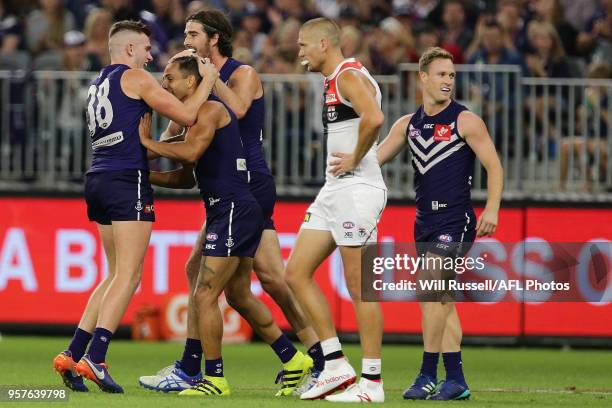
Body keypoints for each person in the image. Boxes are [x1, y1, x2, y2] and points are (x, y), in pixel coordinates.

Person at [138, 10, 316, 396]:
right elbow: (178, 133)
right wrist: (140, 156)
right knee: (233, 287)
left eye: (193, 34)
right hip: (229, 191)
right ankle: (298, 357)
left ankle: (319, 358)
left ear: (214, 38)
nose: (186, 39)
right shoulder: (195, 93)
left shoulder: (239, 74)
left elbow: (235, 111)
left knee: (264, 280)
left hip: (249, 184)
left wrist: (207, 80)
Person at [51, 21, 217, 393]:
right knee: (129, 275)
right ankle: (96, 357)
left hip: (97, 177)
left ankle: (72, 352)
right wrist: (208, 77)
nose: (150, 55)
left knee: (112, 275)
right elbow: (188, 116)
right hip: (127, 178)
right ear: (128, 51)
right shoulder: (136, 78)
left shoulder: (99, 82)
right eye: (145, 48)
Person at [377, 46, 503, 401]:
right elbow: (374, 160)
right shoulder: (407, 125)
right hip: (425, 223)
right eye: (442, 74)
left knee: (431, 289)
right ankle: (457, 380)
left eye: (452, 75)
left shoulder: (465, 121)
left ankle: (427, 374)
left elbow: (494, 166)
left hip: (456, 220)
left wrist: (491, 209)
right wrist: (347, 160)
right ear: (423, 77)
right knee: (439, 301)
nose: (448, 81)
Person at [286, 17, 387, 402]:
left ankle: (372, 383)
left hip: (356, 189)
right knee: (295, 273)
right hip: (335, 190)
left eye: (303, 45)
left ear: (324, 44)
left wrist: (355, 159)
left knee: (360, 288)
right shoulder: (335, 80)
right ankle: (335, 363)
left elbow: (375, 118)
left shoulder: (346, 75)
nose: (299, 53)